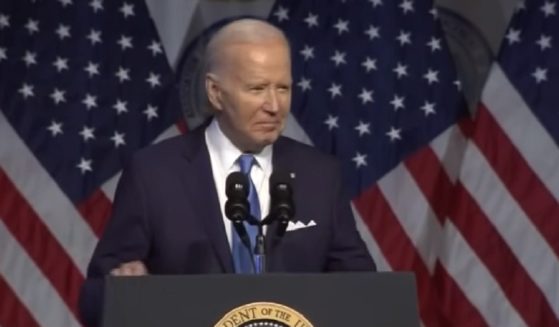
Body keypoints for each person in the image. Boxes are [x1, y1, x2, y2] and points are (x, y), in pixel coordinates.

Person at [79, 18, 375, 326]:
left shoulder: (320, 175)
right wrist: (124, 289)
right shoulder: (153, 174)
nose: (274, 105)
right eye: (257, 88)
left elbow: (363, 289)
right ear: (215, 92)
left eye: (283, 88)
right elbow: (95, 297)